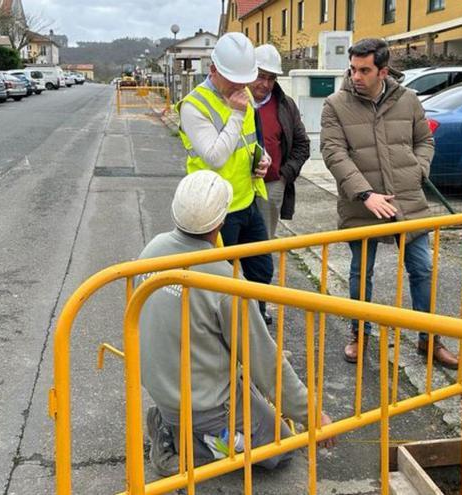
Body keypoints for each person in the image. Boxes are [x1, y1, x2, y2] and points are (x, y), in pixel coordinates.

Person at [138, 171, 334, 476]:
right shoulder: (224, 280)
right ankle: (186, 448)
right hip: (206, 405)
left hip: (163, 387)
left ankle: (172, 421)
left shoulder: (153, 249)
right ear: (220, 220)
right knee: (280, 451)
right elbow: (264, 360)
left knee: (252, 400)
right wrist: (313, 415)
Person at [320, 38, 458, 369]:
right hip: (360, 206)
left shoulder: (408, 100)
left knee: (422, 269)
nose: (356, 76)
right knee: (360, 272)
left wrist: (418, 169)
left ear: (383, 71)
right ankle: (360, 333)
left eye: (364, 70)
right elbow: (333, 152)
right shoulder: (335, 105)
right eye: (353, 69)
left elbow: (425, 140)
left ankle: (429, 339)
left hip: (407, 201)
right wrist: (365, 194)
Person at [177, 32, 274, 324]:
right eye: (233, 78)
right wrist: (235, 113)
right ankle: (219, 335)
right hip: (214, 209)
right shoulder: (194, 105)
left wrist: (263, 159)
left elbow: (250, 141)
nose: (240, 85)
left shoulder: (242, 98)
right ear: (213, 70)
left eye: (245, 78)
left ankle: (255, 324)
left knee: (261, 270)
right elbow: (215, 157)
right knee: (216, 282)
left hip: (246, 201)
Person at [250, 44, 311, 240]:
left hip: (271, 185)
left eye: (271, 78)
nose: (265, 84)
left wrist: (283, 176)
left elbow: (302, 145)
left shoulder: (285, 105)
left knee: (263, 243)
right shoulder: (234, 101)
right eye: (261, 76)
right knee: (230, 246)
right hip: (236, 186)